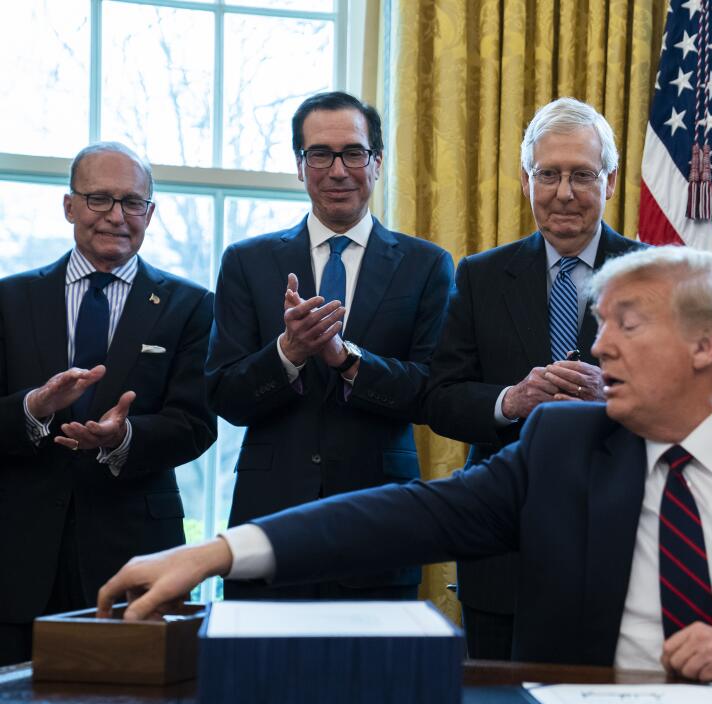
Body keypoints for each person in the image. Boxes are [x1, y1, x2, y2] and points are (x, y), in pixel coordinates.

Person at [101, 246, 712, 685]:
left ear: (705, 345)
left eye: (627, 323)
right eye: (600, 322)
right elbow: (406, 513)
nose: (597, 345)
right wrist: (214, 553)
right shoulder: (564, 443)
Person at [206, 91, 453, 601]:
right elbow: (225, 396)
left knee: (374, 678)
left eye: (353, 153)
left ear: (377, 162)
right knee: (262, 677)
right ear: (300, 166)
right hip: (270, 516)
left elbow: (432, 393)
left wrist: (347, 360)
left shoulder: (426, 265)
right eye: (319, 154)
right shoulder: (247, 262)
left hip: (380, 516)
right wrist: (288, 354)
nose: (338, 169)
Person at [422, 98, 643, 658]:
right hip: (504, 541)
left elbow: (693, 403)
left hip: (620, 541)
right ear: (526, 182)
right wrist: (510, 400)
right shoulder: (479, 276)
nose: (564, 192)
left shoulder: (655, 275)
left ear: (611, 182)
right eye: (549, 174)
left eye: (582, 175)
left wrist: (613, 395)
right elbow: (441, 397)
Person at [0, 143, 216, 665]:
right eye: (99, 199)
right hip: (17, 555)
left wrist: (124, 438)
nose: (117, 216)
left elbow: (196, 424)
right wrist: (34, 407)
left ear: (150, 213)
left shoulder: (191, 306)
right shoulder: (10, 300)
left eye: (132, 202)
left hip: (135, 550)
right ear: (70, 206)